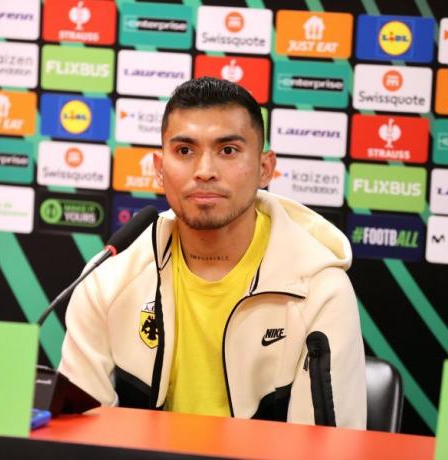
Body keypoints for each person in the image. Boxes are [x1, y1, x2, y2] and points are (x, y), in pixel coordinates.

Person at [51, 77, 366, 429]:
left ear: (265, 168)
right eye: (185, 151)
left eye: (227, 150)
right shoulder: (108, 281)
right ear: (159, 169)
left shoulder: (320, 290)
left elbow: (326, 447)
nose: (204, 172)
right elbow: (79, 434)